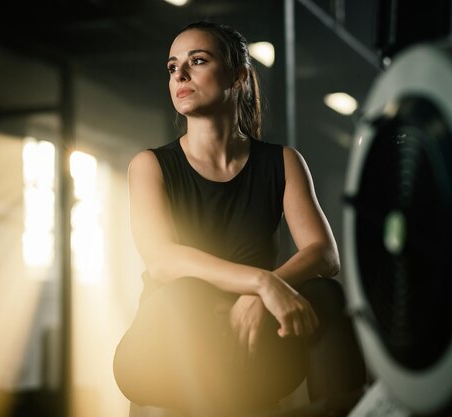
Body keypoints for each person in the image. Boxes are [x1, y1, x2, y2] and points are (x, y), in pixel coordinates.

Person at [113, 20, 370, 417]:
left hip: (248, 345)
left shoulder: (282, 162)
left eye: (197, 61)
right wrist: (261, 281)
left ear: (239, 76)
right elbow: (163, 260)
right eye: (172, 66)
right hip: (165, 347)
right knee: (186, 293)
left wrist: (262, 294)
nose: (179, 74)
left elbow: (325, 254)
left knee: (325, 295)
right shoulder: (150, 165)